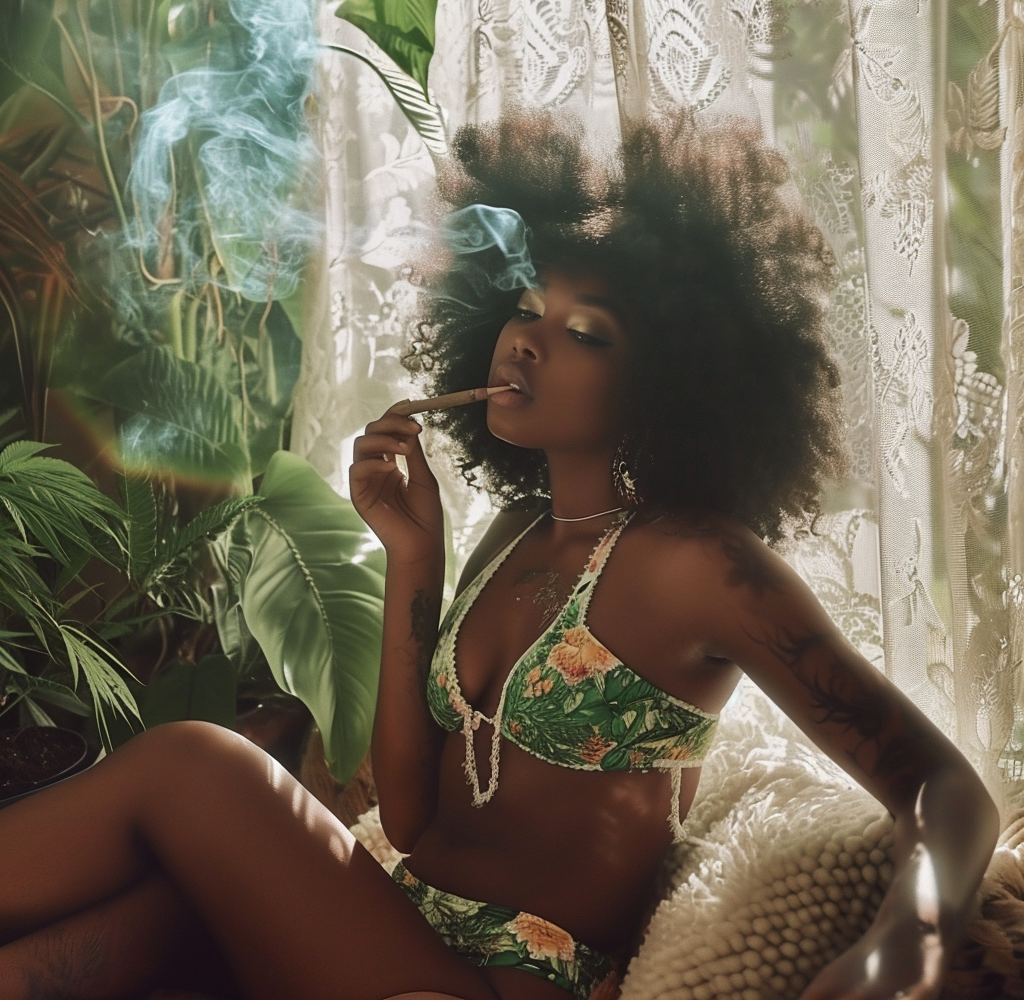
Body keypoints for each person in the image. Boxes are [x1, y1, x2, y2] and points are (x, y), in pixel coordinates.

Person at [0, 111, 999, 1000]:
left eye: (583, 333)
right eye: (524, 307)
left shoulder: (696, 565)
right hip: (397, 923)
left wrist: (903, 942)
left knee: (197, 761)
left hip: (500, 977)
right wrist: (413, 556)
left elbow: (945, 787)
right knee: (118, 936)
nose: (527, 341)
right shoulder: (512, 531)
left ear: (669, 384)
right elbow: (412, 813)